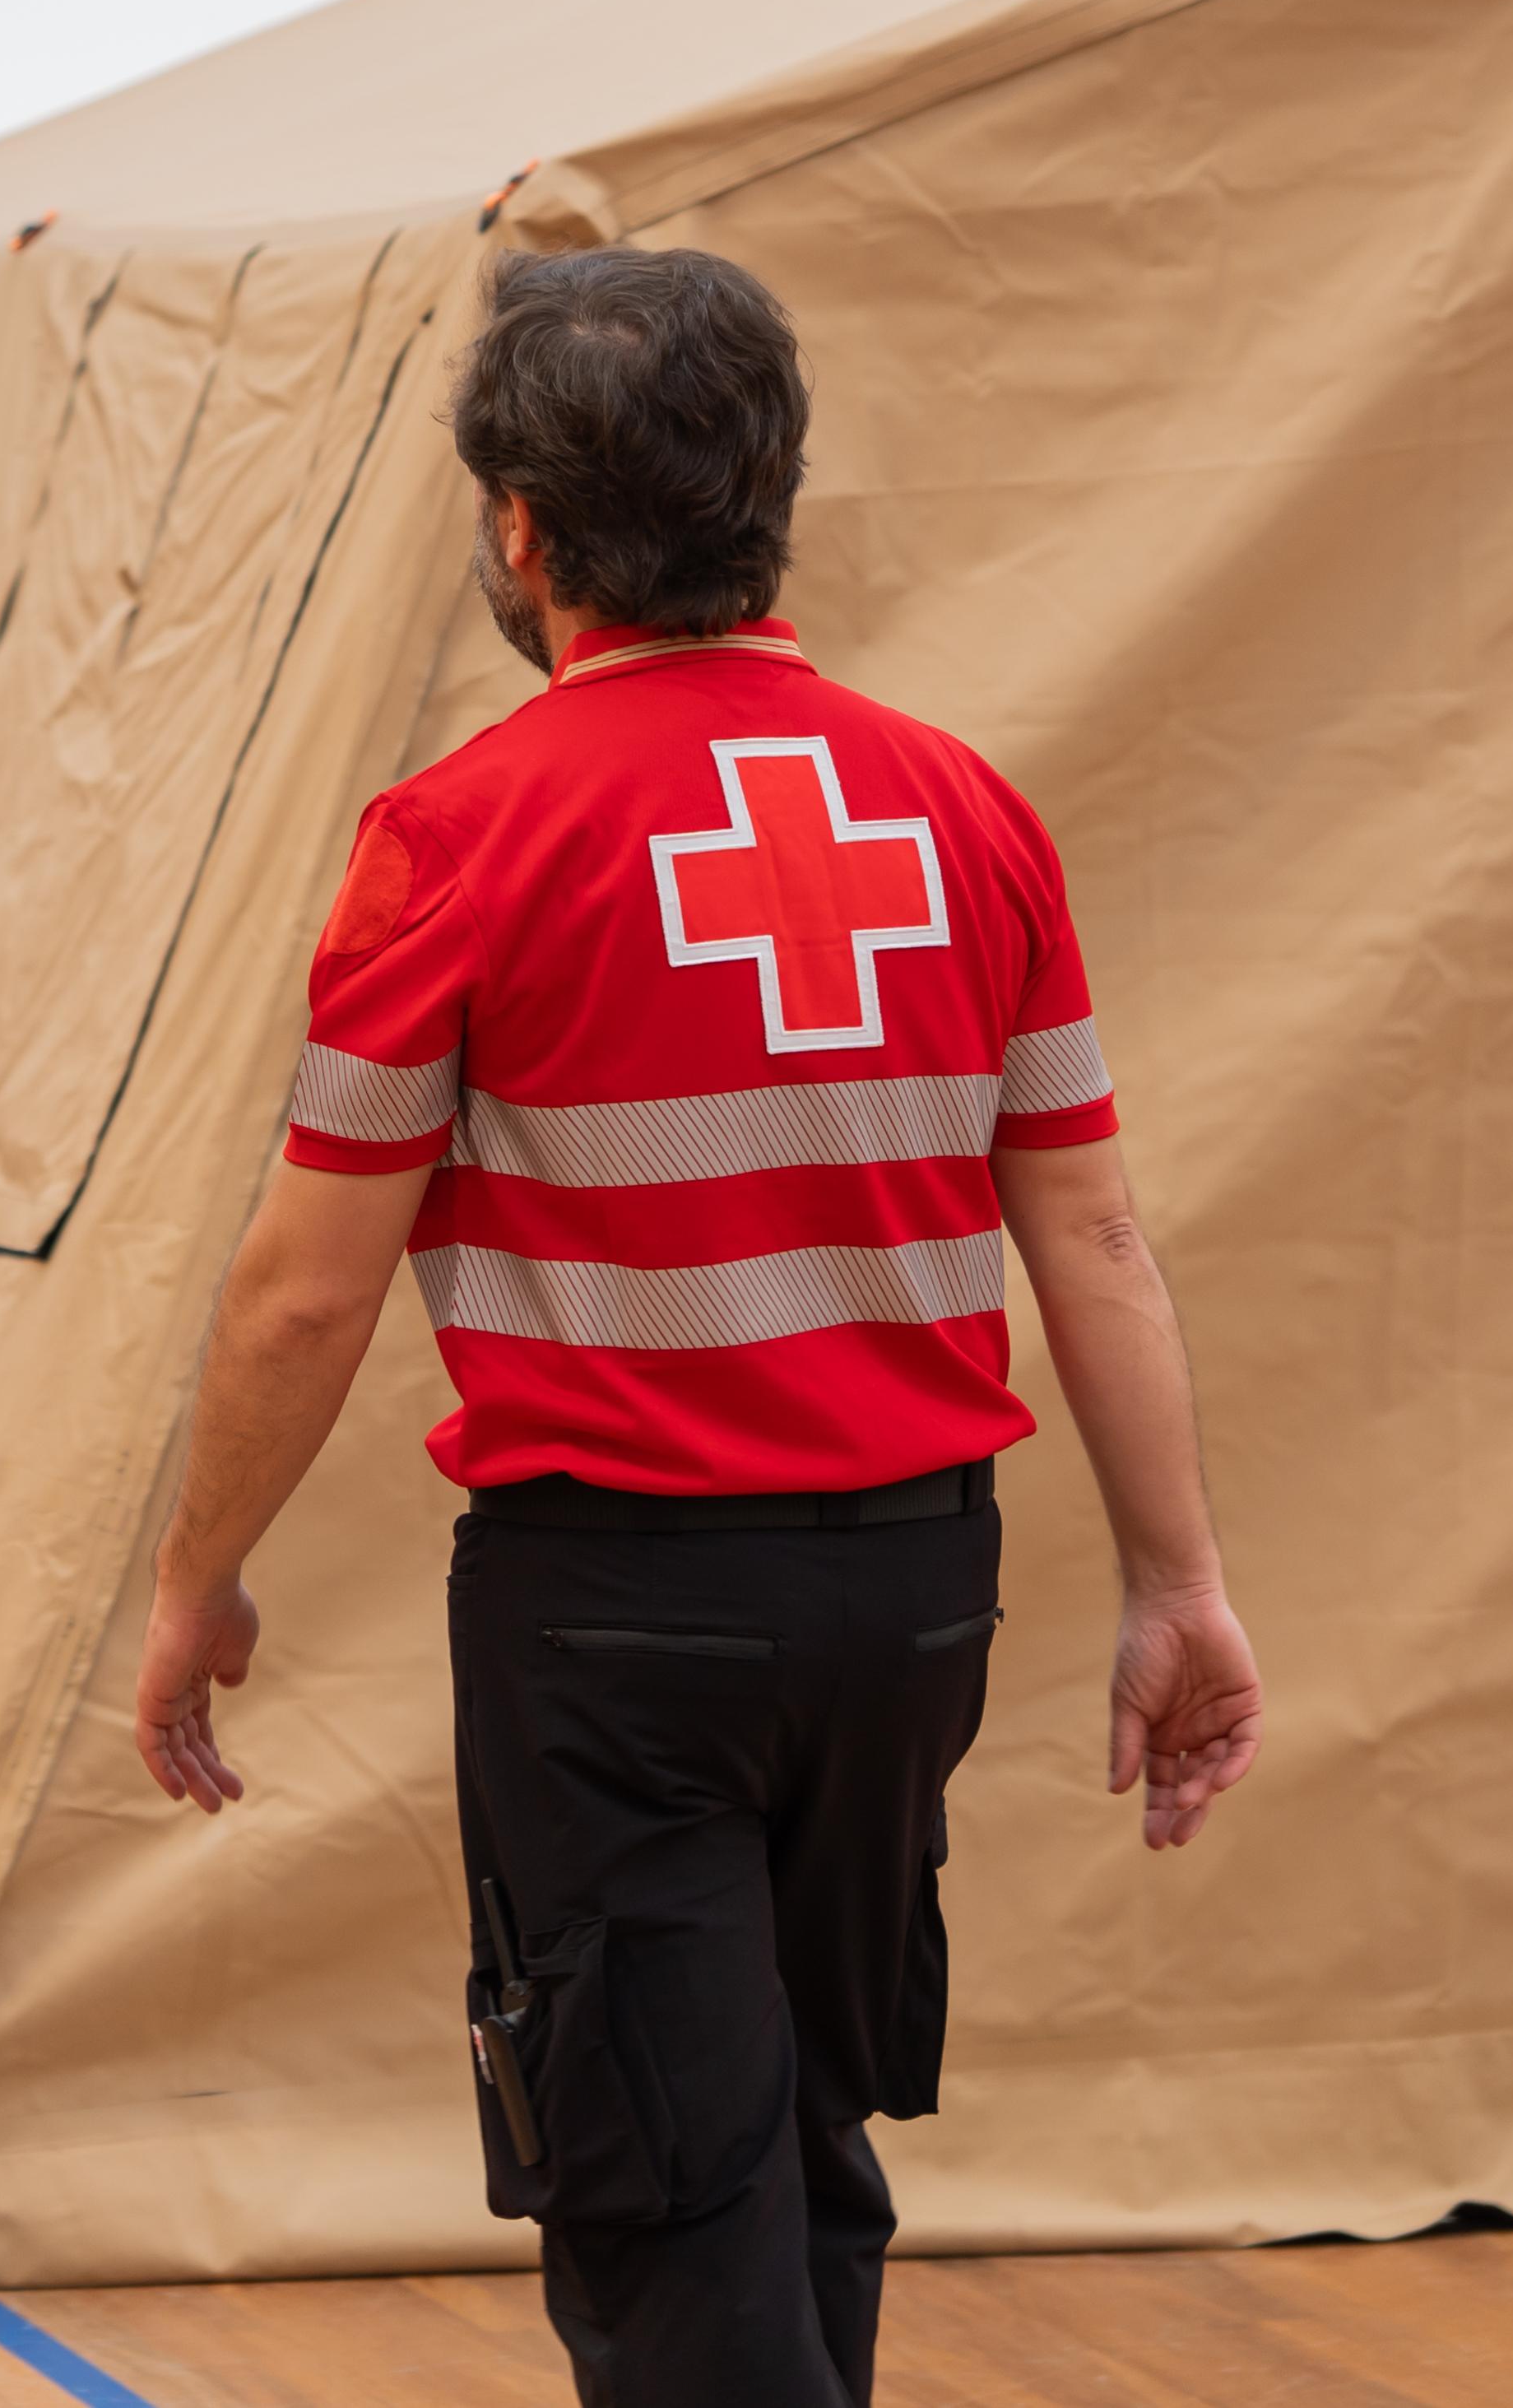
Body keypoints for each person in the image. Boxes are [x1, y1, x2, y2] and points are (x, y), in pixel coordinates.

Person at [129, 249, 1265, 2407]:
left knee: (663, 2198)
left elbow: (304, 1278)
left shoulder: (454, 837)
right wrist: (1176, 1574)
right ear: (769, 498)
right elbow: (1093, 1236)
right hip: (912, 1597)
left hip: (616, 1614)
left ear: (526, 532)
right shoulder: (962, 810)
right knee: (794, 2150)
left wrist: (197, 1573)